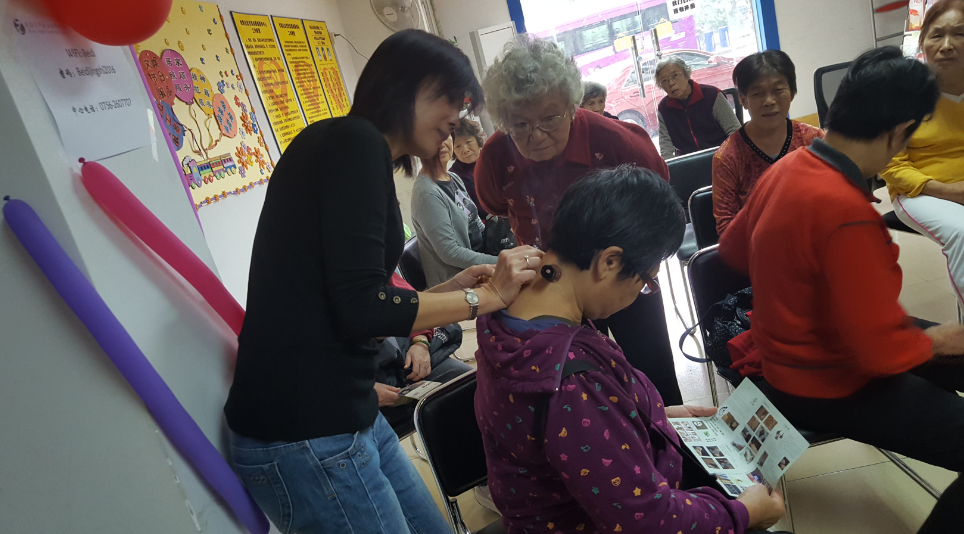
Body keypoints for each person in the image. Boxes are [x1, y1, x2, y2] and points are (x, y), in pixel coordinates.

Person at [223, 30, 542, 534]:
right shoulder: (353, 143)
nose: (457, 117)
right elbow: (362, 307)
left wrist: (451, 288)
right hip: (306, 430)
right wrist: (486, 297)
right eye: (450, 99)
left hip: (347, 414)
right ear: (406, 86)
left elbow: (358, 301)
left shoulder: (352, 148)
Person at [719, 46, 964, 534]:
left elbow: (732, 250)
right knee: (943, 346)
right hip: (821, 379)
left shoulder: (788, 167)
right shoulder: (846, 214)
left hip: (788, 351)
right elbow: (881, 353)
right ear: (899, 131)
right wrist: (938, 340)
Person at [475, 167, 788, 534]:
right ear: (609, 262)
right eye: (646, 281)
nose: (640, 293)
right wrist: (744, 513)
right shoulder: (573, 379)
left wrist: (651, 417)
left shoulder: (512, 305)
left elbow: (565, 432)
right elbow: (649, 522)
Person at [476, 35, 685, 406]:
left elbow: (657, 202)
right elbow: (494, 204)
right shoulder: (495, 156)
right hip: (554, 287)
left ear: (572, 105)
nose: (536, 136)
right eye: (519, 124)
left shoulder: (617, 141)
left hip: (622, 278)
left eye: (549, 118)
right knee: (572, 388)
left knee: (653, 375)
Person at [881, 0, 964, 307]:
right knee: (963, 233)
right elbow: (891, 165)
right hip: (920, 190)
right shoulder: (904, 96)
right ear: (923, 43)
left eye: (959, 34)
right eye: (936, 35)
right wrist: (952, 192)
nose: (947, 45)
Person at [712, 50, 824, 235]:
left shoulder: (814, 140)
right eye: (757, 94)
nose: (769, 101)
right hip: (759, 247)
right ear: (743, 100)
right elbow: (726, 228)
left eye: (778, 90)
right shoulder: (728, 158)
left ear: (792, 92)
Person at [412, 136, 498, 287]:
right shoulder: (427, 193)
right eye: (433, 135)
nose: (441, 143)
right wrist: (499, 261)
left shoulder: (453, 178)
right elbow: (451, 253)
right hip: (458, 282)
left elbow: (476, 223)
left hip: (479, 269)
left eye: (444, 135)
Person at [656, 56, 741, 159]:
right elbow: (665, 147)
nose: (671, 83)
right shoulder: (664, 108)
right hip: (689, 162)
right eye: (664, 80)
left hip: (722, 156)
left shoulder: (712, 95)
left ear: (686, 74)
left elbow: (734, 132)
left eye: (675, 75)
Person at [450, 117, 489, 219]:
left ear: (478, 140)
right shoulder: (453, 177)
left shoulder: (493, 159)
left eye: (468, 142)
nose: (465, 150)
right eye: (458, 146)